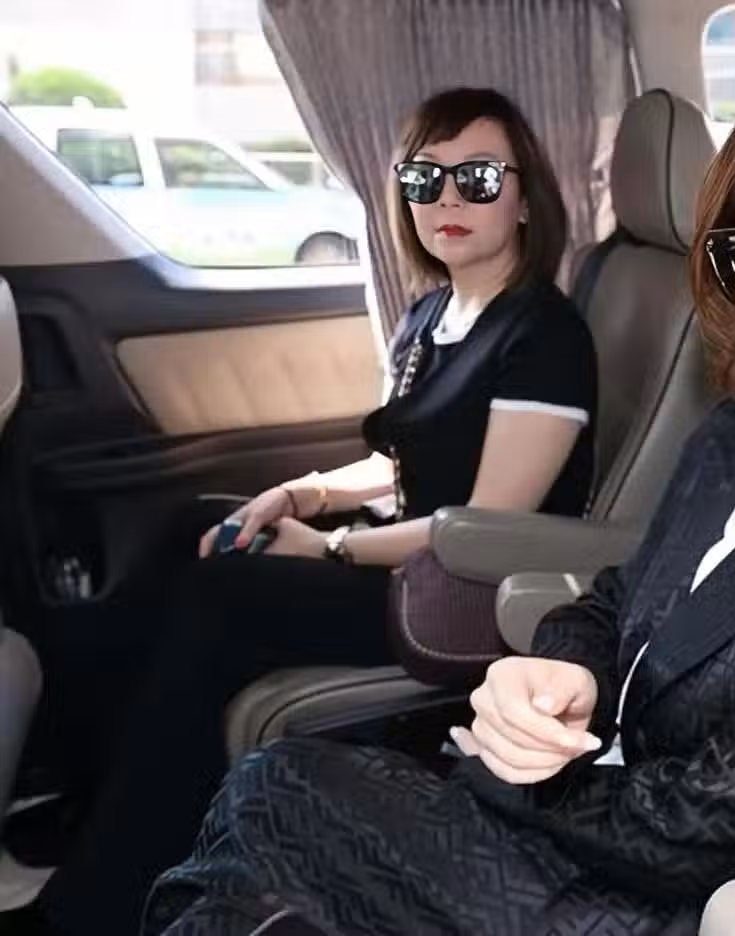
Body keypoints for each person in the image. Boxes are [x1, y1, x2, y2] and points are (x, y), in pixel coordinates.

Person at [146, 28, 735, 936]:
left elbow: (713, 829)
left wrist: (502, 773)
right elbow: (619, 599)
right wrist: (560, 669)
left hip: (694, 906)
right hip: (611, 823)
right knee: (256, 856)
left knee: (274, 794)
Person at [12, 88, 597, 936]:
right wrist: (300, 496)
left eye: (477, 178)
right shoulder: (433, 313)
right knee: (192, 529)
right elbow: (403, 463)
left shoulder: (545, 335)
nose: (447, 198)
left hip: (466, 595)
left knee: (225, 595)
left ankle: (92, 907)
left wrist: (325, 552)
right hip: (409, 561)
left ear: (525, 197)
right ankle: (93, 799)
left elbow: (483, 523)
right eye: (424, 178)